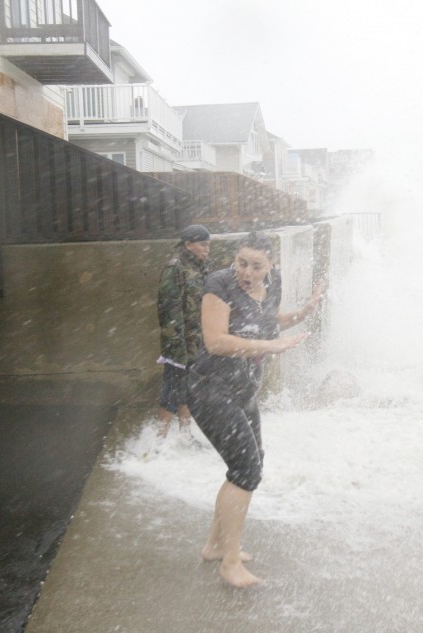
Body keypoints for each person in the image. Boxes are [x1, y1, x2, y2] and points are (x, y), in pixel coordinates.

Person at [188, 232, 323, 588]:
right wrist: (269, 346)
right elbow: (215, 341)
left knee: (250, 463)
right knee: (246, 470)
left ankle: (215, 546)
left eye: (256, 266)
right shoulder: (219, 284)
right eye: (242, 263)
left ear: (270, 265)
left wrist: (304, 312)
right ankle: (230, 563)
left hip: (242, 391)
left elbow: (269, 320)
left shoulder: (272, 282)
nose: (247, 272)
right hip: (210, 390)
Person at [155, 224, 211, 439]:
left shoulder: (201, 266)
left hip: (196, 340)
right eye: (203, 245)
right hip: (178, 342)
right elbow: (168, 310)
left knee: (187, 391)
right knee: (171, 390)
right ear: (188, 245)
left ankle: (185, 436)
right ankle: (159, 441)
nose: (207, 250)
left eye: (209, 245)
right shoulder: (175, 269)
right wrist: (175, 347)